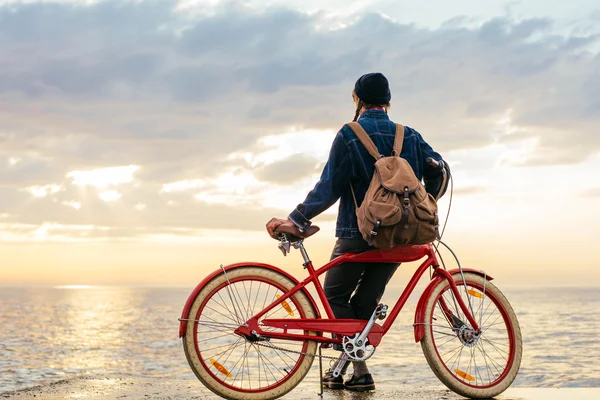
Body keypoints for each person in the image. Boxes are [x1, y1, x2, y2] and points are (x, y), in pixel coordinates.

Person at [266, 72, 450, 392]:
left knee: (334, 296)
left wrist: (297, 219)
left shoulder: (351, 133)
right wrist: (424, 202)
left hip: (356, 232)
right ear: (388, 102)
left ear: (356, 99)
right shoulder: (409, 135)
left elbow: (329, 187)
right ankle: (352, 371)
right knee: (366, 300)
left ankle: (356, 368)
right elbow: (439, 169)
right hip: (398, 236)